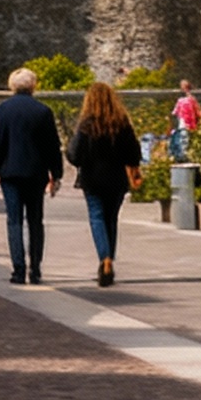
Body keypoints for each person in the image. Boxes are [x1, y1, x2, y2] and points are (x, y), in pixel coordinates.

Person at [0, 67, 64, 286]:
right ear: (33, 86)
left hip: (10, 172)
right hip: (36, 172)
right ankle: (35, 269)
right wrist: (56, 173)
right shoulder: (43, 111)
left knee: (14, 221)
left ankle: (18, 270)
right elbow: (52, 146)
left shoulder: (2, 110)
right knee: (35, 221)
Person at [66, 80, 143, 287]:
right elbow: (133, 153)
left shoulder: (86, 125)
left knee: (97, 217)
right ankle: (109, 260)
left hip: (92, 179)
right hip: (117, 179)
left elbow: (74, 155)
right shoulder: (121, 123)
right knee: (111, 219)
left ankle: (104, 258)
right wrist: (134, 169)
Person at [169, 78, 201, 160]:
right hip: (182, 125)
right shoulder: (181, 100)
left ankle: (182, 157)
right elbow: (175, 112)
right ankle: (179, 156)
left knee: (184, 141)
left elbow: (197, 112)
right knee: (179, 140)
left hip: (187, 125)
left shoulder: (190, 99)